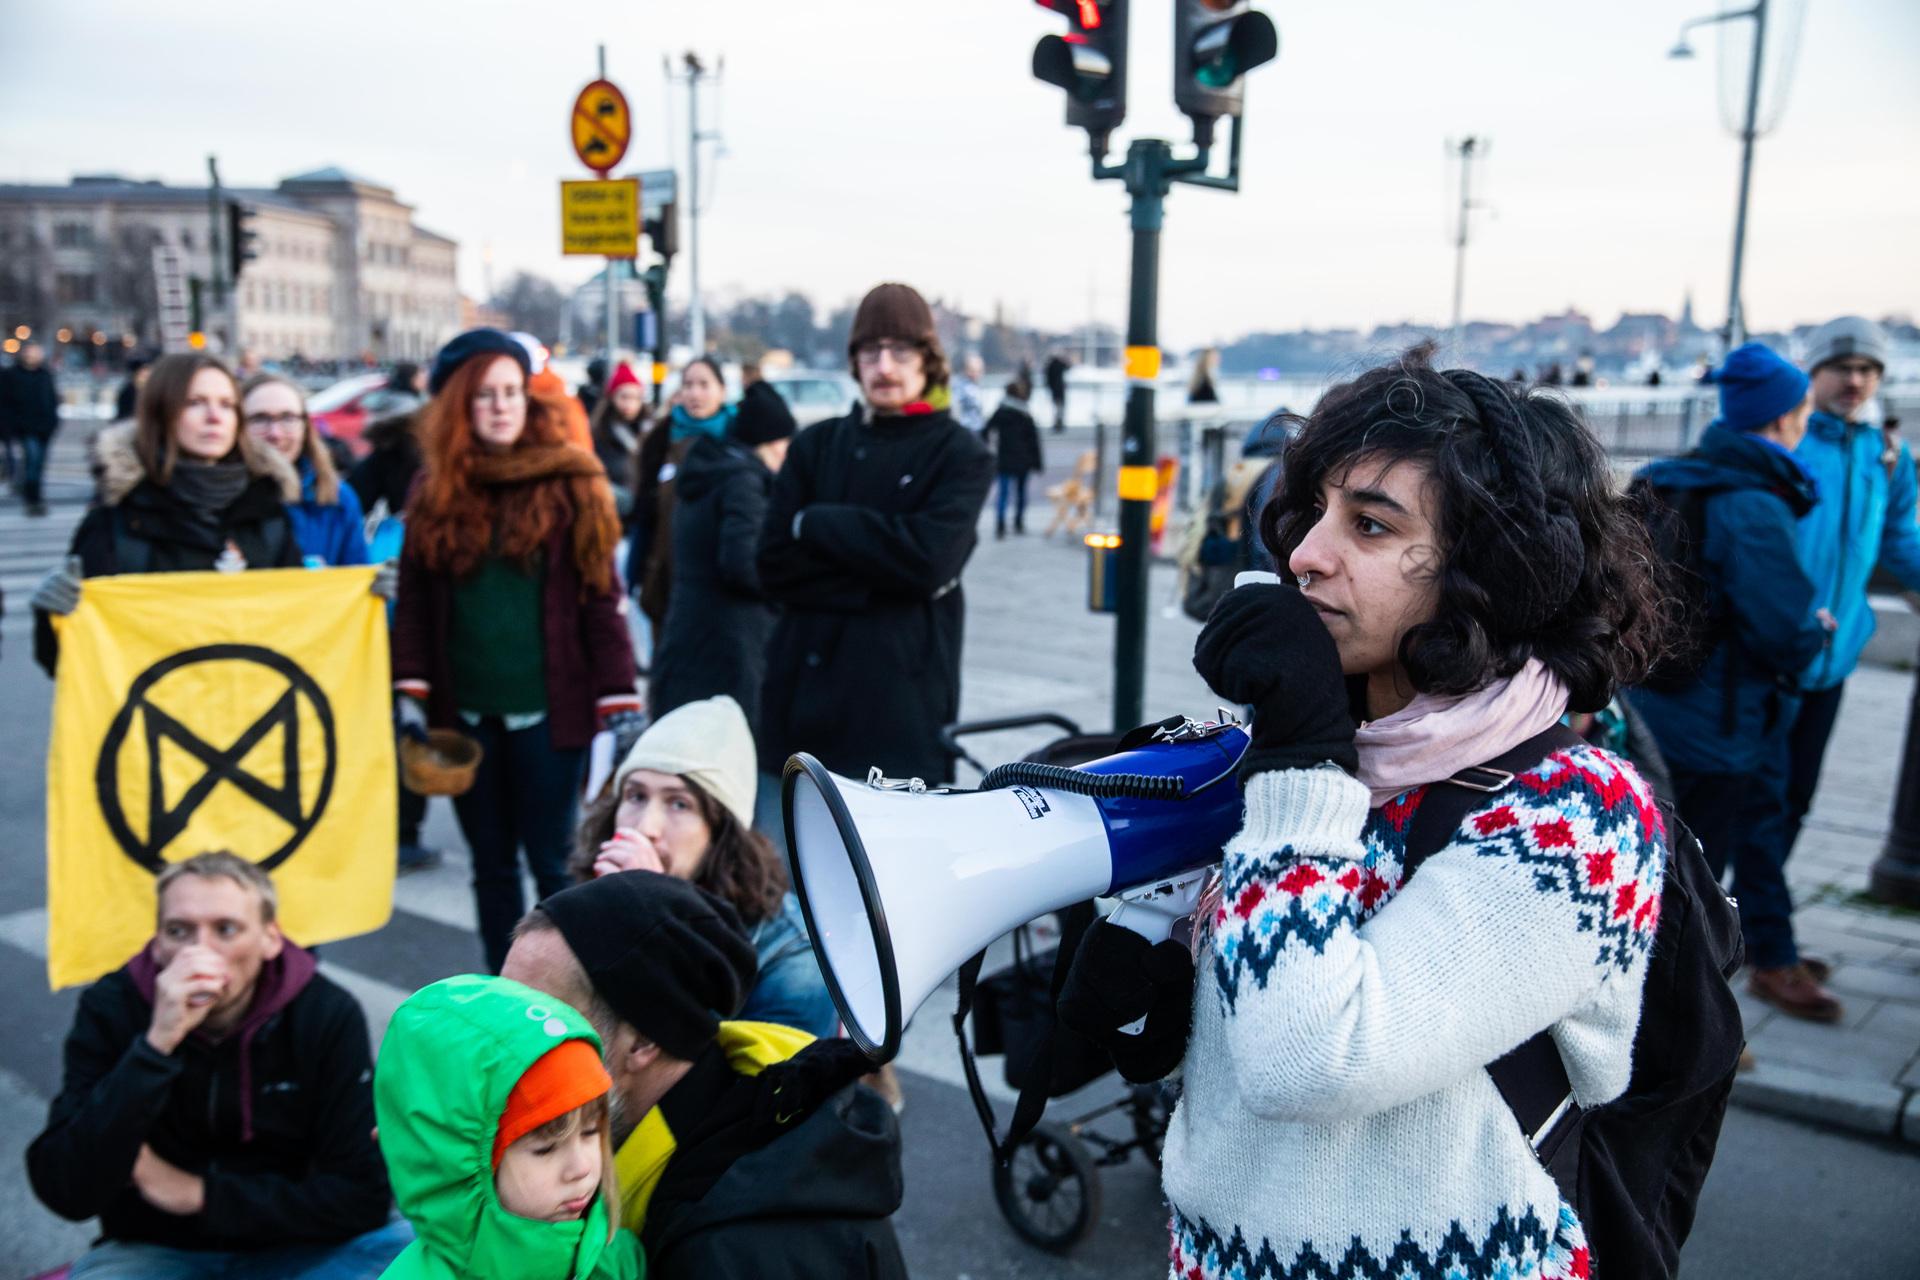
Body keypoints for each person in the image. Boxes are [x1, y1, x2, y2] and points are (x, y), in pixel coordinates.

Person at [1060, 345, 1677, 1280]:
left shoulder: (1582, 816)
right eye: (1314, 512)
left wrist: (1304, 755)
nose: (1306, 554)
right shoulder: (1337, 764)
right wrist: (1176, 996)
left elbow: (1314, 1060)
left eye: (1372, 526)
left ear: (1488, 568)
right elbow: (1268, 1017)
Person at [500, 872, 908, 1278]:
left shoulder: (728, 1254)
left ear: (642, 1042)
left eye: (540, 1024)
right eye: (497, 1008)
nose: (500, 1052)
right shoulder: (710, 1121)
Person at [28, 852, 408, 1278]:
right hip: (160, 1248)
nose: (199, 951)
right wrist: (155, 1047)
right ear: (157, 943)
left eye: (226, 929)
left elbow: (362, 1194)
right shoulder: (113, 1008)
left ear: (270, 939)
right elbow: (65, 1189)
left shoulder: (324, 1014)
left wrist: (198, 1195)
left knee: (415, 1255)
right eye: (178, 931)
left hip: (306, 1243)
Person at [391, 328, 641, 972]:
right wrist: (410, 695)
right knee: (491, 866)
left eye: (513, 392)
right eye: (485, 395)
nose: (502, 406)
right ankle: (499, 990)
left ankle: (566, 987)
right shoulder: (435, 489)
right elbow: (417, 604)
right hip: (466, 716)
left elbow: (600, 598)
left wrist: (621, 700)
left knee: (553, 862)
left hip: (549, 718)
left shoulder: (570, 482)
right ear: (459, 406)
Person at [1626, 343, 1839, 1020]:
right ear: (1782, 418)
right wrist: (1820, 628)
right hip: (1717, 725)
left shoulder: (1668, 479)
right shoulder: (1752, 503)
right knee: (1696, 879)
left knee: (1649, 866)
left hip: (1651, 704)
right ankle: (1675, 1028)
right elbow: (1784, 627)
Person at [755, 282, 994, 831]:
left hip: (898, 717)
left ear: (928, 361)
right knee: (780, 896)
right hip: (797, 711)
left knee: (886, 903)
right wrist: (885, 573)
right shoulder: (815, 445)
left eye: (901, 351)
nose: (884, 366)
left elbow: (930, 562)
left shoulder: (960, 454)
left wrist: (817, 523)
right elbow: (770, 566)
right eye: (870, 351)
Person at [570, 695, 836, 1038]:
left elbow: (747, 1087)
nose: (645, 826)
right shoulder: (603, 888)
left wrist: (652, 931)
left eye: (679, 804)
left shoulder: (791, 955)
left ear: (722, 833)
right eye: (636, 796)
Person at [31, 352, 307, 676]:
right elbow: (70, 663)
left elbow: (303, 633)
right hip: (152, 719)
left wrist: (368, 602)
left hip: (256, 716)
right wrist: (53, 615)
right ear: (162, 412)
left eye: (227, 404)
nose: (215, 417)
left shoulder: (268, 516)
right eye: (195, 403)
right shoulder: (117, 522)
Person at [373, 974, 643, 1279]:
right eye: (545, 1149)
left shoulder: (612, 1258)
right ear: (456, 1162)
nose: (581, 1168)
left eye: (591, 1132)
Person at [1780, 317, 1920, 879]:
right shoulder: (1787, 439)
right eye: (1841, 368)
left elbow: (1899, 536)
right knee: (1747, 799)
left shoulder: (1887, 452)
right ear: (1815, 373)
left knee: (1797, 799)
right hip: (1776, 646)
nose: (1854, 380)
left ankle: (1746, 928)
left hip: (1836, 657)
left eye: (1866, 369)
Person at [649, 381, 794, 728]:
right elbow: (743, 565)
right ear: (771, 443)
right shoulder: (743, 482)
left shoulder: (706, 472)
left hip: (690, 635)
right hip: (731, 646)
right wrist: (787, 589)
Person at [633, 356, 732, 647]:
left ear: (722, 391)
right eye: (688, 385)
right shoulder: (660, 441)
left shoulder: (738, 440)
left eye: (704, 384)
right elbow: (645, 516)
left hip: (720, 588)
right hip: (667, 585)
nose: (695, 393)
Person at [242, 373, 371, 568]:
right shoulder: (211, 498)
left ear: (305, 427)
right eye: (260, 419)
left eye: (288, 418)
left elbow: (356, 573)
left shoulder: (338, 499)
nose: (275, 433)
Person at [2, 338, 61, 515]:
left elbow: (51, 400)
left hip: (44, 427)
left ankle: (33, 495)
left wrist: (53, 422)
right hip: (26, 427)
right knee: (32, 462)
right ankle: (32, 498)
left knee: (39, 463)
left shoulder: (45, 374)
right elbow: (6, 403)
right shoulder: (12, 375)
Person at [980, 374, 1042, 538]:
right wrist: (1037, 462)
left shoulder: (1000, 412)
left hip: (1004, 458)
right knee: (1021, 493)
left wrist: (988, 448)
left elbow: (985, 431)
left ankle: (1000, 524)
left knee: (1003, 493)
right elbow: (1033, 441)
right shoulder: (1026, 414)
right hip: (1023, 459)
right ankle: (1018, 522)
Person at [590, 361, 649, 522]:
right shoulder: (599, 432)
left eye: (635, 398)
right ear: (612, 398)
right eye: (624, 397)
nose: (629, 404)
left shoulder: (650, 430)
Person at [952, 352, 987, 433]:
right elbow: (955, 409)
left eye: (979, 371)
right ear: (966, 369)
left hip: (977, 429)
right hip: (966, 430)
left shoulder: (976, 386)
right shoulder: (959, 386)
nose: (976, 374)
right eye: (972, 370)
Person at [1043, 351, 1070, 431]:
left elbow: (1047, 378)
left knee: (1056, 407)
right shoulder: (1059, 365)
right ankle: (1059, 423)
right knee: (1060, 407)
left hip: (1054, 390)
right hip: (1060, 389)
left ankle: (1057, 423)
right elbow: (1068, 367)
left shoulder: (1049, 366)